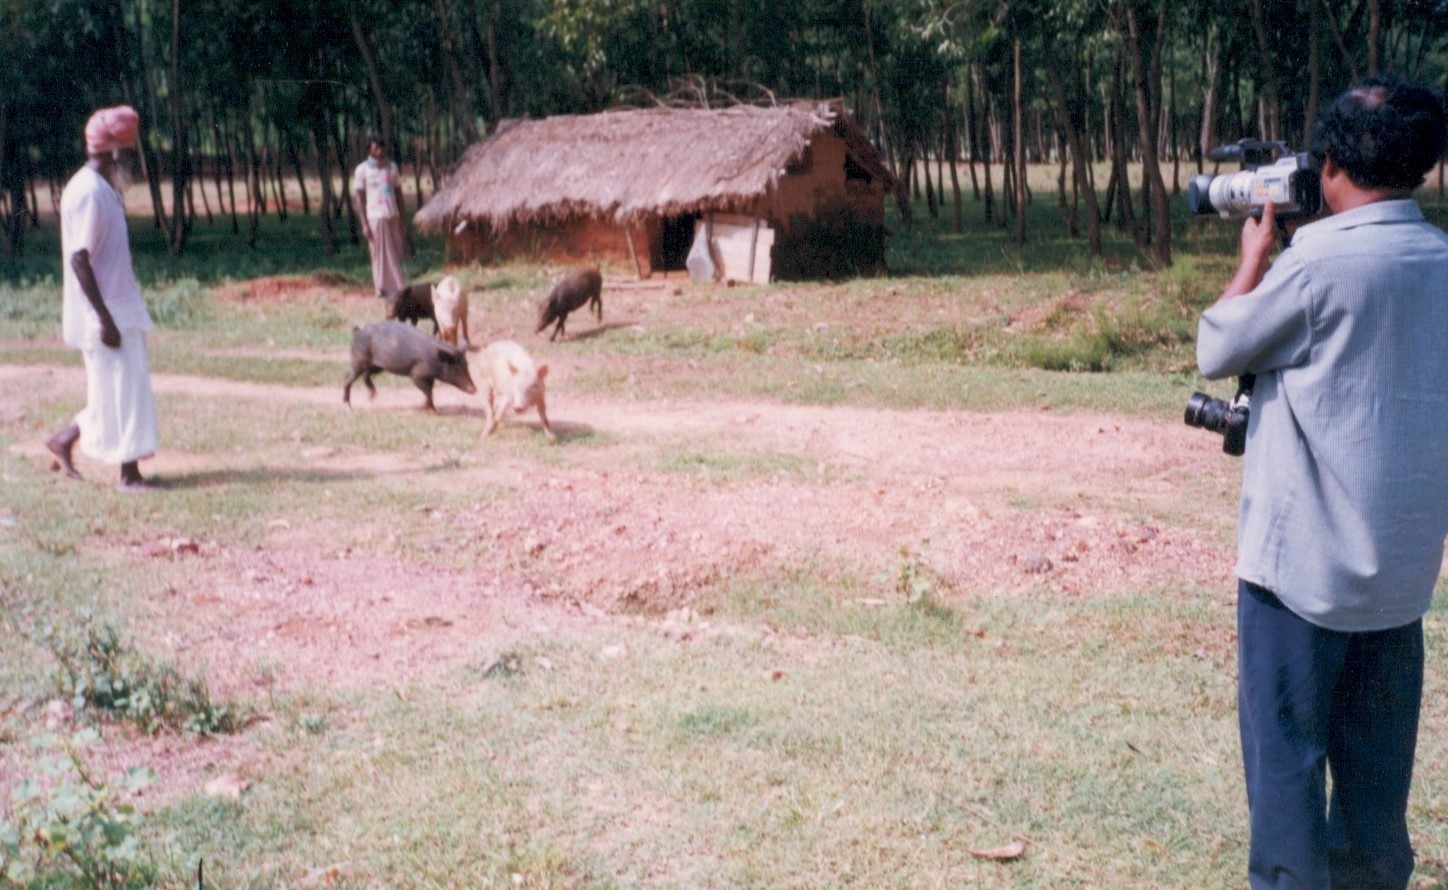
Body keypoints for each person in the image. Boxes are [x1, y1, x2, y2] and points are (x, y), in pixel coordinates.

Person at [1196, 76, 1448, 889]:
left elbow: (1218, 347)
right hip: (1399, 585)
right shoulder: (1440, 261)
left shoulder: (1314, 266)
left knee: (1287, 787)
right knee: (1374, 802)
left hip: (1298, 581)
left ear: (1330, 164)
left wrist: (1253, 259)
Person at [44, 105, 161, 492]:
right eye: (128, 151)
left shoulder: (100, 188)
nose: (131, 160)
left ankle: (63, 439)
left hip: (118, 305)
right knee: (125, 393)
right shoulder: (91, 192)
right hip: (108, 312)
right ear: (113, 151)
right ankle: (129, 476)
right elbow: (80, 259)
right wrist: (105, 318)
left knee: (117, 392)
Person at [352, 134, 407, 298]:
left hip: (392, 214)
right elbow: (359, 198)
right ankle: (381, 288)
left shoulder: (392, 167)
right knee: (378, 253)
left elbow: (399, 193)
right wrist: (364, 224)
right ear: (369, 150)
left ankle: (397, 286)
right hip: (375, 216)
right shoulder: (362, 170)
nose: (380, 151)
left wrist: (403, 220)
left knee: (396, 250)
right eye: (376, 148)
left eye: (381, 147)